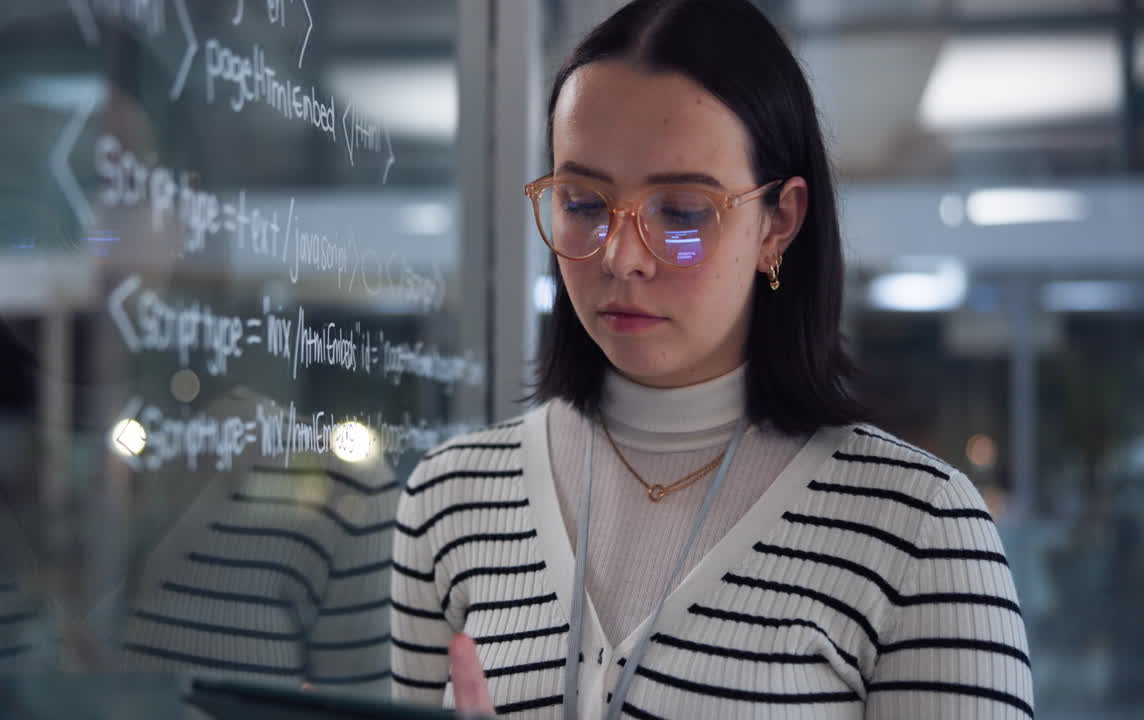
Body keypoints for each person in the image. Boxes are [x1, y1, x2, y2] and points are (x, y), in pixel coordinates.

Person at [390, 0, 1034, 717]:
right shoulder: (450, 500)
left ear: (779, 224)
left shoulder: (919, 531)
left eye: (684, 214)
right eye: (582, 202)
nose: (622, 256)